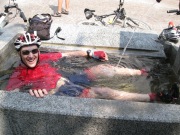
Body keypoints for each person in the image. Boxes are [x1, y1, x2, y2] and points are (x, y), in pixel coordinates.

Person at [5, 33, 179, 103]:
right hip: (61, 92)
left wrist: (91, 52)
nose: (30, 56)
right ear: (20, 54)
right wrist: (30, 91)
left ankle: (143, 72)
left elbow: (70, 54)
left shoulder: (43, 57)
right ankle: (155, 97)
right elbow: (8, 95)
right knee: (103, 92)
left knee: (103, 69)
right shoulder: (18, 74)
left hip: (68, 79)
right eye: (26, 52)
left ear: (38, 50)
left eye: (33, 51)